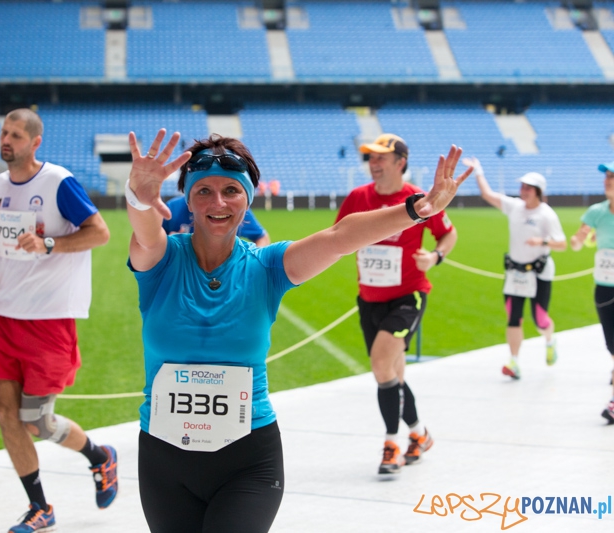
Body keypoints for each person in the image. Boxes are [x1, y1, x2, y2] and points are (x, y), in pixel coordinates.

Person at [124, 128, 470, 531]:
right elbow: (146, 235)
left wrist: (419, 209)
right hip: (165, 461)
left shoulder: (267, 267)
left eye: (231, 191)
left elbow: (341, 237)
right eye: (203, 191)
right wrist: (139, 197)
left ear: (247, 199)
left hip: (247, 461)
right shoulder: (161, 261)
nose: (218, 202)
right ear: (187, 199)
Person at [0, 109, 117, 533]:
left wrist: (48, 243)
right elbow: (1, 240)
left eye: (15, 134)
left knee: (38, 421)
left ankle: (99, 456)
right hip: (1, 316)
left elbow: (100, 232)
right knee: (4, 412)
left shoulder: (58, 182)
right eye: (4, 133)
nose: (6, 140)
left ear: (35, 142)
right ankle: (40, 507)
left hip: (48, 319)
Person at [335, 133, 458, 475]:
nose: (373, 164)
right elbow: (338, 237)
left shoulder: (418, 199)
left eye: (381, 158)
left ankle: (392, 444)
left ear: (400, 162)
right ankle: (419, 435)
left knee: (379, 364)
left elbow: (449, 234)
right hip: (369, 299)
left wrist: (435, 256)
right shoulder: (358, 197)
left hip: (408, 295)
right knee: (392, 374)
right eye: (370, 159)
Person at [466, 157, 566, 381]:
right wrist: (478, 170)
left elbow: (562, 243)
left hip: (539, 272)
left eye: (528, 188)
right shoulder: (514, 207)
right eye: (522, 186)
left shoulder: (547, 214)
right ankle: (514, 361)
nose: (523, 191)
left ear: (538, 191)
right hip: (515, 272)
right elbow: (488, 195)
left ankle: (550, 340)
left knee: (540, 318)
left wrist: (541, 242)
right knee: (513, 317)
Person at [569, 160, 614, 424]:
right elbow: (578, 237)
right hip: (604, 287)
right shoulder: (597, 212)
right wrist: (579, 239)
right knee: (611, 345)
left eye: (612, 176)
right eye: (606, 176)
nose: (607, 180)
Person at [162, 194, 271, 246]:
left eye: (229, 190)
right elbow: (148, 246)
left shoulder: (236, 211)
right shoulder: (172, 208)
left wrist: (252, 266)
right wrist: (166, 243)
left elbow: (261, 237)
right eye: (204, 191)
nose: (219, 204)